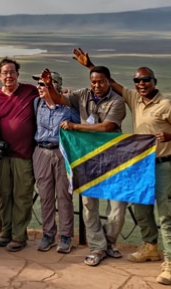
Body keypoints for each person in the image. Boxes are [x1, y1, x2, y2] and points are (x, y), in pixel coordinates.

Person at [72, 49, 171, 284]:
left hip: (162, 164)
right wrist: (90, 65)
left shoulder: (167, 105)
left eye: (145, 80)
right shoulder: (134, 99)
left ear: (154, 82)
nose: (140, 84)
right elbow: (111, 84)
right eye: (137, 80)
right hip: (140, 165)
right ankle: (150, 246)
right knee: (140, 209)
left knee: (167, 212)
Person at [39, 65, 127, 267]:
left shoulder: (117, 101)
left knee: (117, 207)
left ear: (108, 82)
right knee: (89, 206)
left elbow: (107, 127)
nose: (96, 85)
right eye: (93, 81)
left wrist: (75, 126)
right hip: (88, 158)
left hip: (111, 158)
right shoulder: (83, 95)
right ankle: (97, 248)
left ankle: (108, 241)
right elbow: (59, 99)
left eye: (101, 82)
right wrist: (49, 84)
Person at [0, 58, 38, 252]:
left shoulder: (30, 91)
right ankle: (5, 232)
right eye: (5, 72)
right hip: (4, 154)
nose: (9, 75)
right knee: (5, 194)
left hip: (25, 154)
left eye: (12, 72)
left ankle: (19, 236)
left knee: (23, 196)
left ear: (18, 74)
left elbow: (50, 97)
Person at [30, 71, 79, 254]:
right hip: (41, 151)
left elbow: (81, 127)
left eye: (43, 84)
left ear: (55, 86)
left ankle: (66, 236)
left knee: (64, 195)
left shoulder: (69, 108)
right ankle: (48, 234)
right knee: (45, 195)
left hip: (61, 152)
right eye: (39, 84)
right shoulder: (37, 104)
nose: (39, 88)